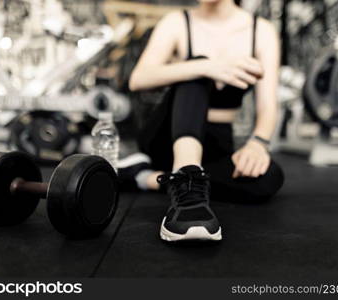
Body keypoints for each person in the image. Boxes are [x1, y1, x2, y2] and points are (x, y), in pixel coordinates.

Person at [119, 0, 284, 242]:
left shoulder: (262, 31)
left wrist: (258, 143)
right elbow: (138, 79)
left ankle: (147, 177)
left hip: (216, 144)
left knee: (268, 176)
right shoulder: (176, 22)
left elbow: (268, 106)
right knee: (197, 69)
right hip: (167, 136)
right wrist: (206, 66)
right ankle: (188, 190)